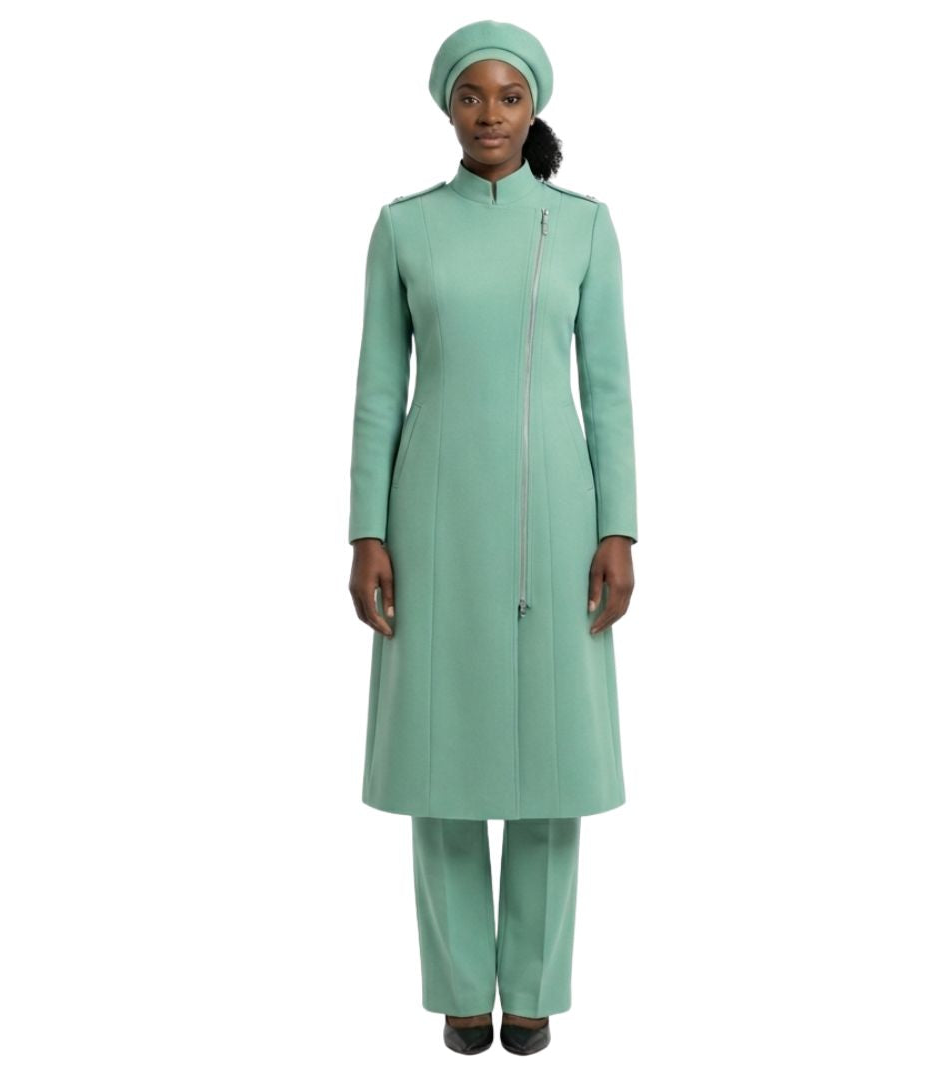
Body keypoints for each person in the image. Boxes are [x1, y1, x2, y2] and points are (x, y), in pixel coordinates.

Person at [347, 19, 639, 1056]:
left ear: (534, 107)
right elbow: (378, 393)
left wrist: (619, 527)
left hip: (556, 517)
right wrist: (366, 532)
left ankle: (536, 992)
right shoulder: (404, 228)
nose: (489, 115)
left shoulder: (584, 226)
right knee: (443, 762)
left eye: (509, 97)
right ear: (447, 105)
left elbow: (608, 392)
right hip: (432, 519)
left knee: (552, 770)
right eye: (471, 96)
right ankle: (463, 993)